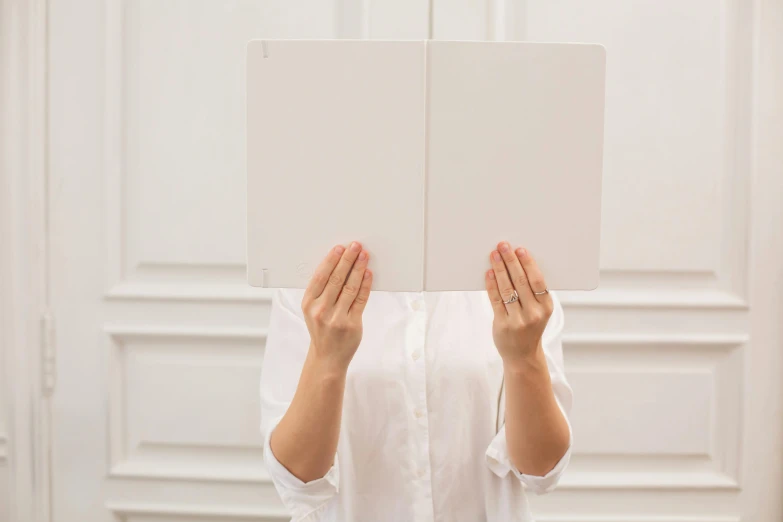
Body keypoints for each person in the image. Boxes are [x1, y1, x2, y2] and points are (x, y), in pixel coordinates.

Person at [260, 240, 572, 522]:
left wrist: (524, 357)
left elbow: (541, 472)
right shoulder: (308, 284)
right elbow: (296, 479)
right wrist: (327, 357)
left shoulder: (519, 282)